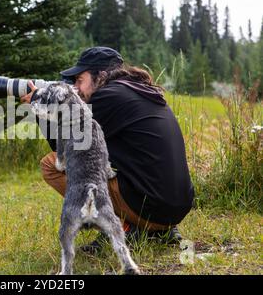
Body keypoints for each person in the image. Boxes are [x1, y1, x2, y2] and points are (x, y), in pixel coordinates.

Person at [21, 47, 194, 253]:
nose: (76, 88)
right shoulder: (137, 91)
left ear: (100, 76)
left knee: (51, 165)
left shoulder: (107, 96)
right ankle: (154, 228)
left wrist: (39, 105)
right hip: (175, 207)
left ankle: (125, 227)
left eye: (80, 80)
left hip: (151, 206)